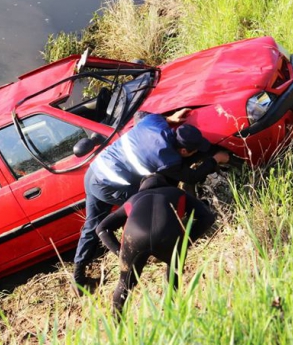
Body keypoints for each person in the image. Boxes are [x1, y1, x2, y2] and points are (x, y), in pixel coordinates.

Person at [72, 110, 229, 286]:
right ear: (184, 150)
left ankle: (78, 278)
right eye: (194, 151)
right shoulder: (166, 158)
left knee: (91, 225)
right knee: (147, 206)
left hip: (94, 172)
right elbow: (192, 177)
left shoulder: (154, 123)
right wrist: (215, 159)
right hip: (109, 185)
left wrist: (169, 118)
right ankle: (151, 250)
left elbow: (140, 114)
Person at [95, 174, 215, 313]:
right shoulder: (177, 193)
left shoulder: (133, 199)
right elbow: (207, 217)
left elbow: (102, 228)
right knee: (173, 280)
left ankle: (116, 327)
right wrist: (186, 241)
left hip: (135, 238)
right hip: (168, 236)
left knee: (124, 285)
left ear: (142, 187)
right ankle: (171, 316)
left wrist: (119, 252)